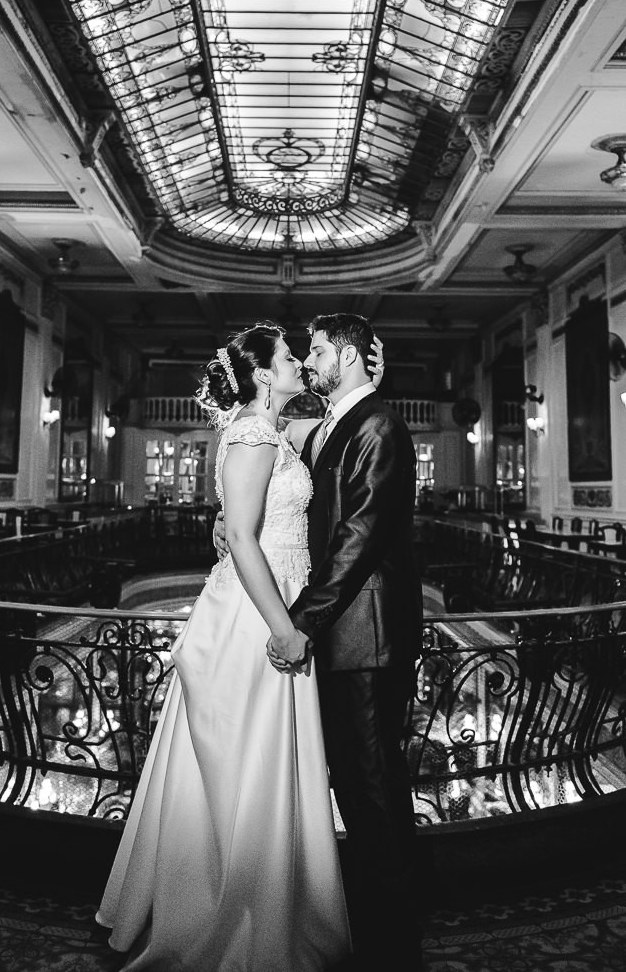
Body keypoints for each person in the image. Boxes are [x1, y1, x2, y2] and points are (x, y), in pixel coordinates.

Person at [95, 322, 352, 972]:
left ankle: (271, 903)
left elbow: (247, 519)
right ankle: (228, 917)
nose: (296, 362)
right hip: (256, 612)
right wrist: (284, 628)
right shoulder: (248, 432)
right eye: (289, 356)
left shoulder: (268, 431)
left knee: (264, 760)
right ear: (264, 372)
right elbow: (240, 537)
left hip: (276, 592)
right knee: (243, 762)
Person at [218, 312, 422, 971]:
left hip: (367, 636)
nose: (308, 360)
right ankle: (364, 929)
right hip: (341, 638)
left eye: (319, 349)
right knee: (354, 792)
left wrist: (299, 625)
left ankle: (394, 950)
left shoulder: (379, 425)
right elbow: (272, 498)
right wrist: (224, 526)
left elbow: (357, 540)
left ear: (354, 356)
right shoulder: (334, 425)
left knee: (373, 793)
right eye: (303, 351)